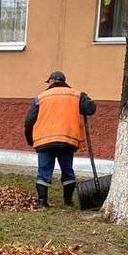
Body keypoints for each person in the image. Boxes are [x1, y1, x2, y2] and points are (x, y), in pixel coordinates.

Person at [24, 70, 96, 209]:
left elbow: (28, 121)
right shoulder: (76, 95)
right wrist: (86, 97)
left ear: (51, 81)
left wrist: (30, 139)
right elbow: (91, 109)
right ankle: (68, 201)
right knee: (67, 170)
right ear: (64, 81)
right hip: (66, 141)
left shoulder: (40, 97)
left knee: (43, 171)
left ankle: (42, 202)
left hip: (44, 141)